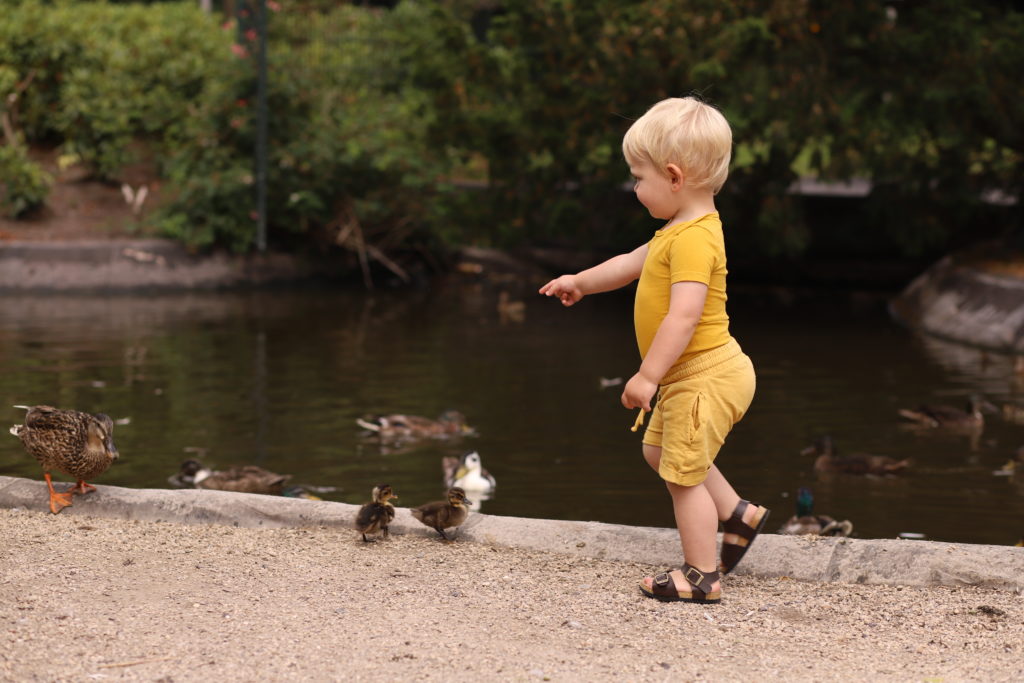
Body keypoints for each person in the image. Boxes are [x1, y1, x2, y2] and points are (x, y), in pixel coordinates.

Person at [539, 97, 769, 604]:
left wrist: (647, 375)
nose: (636, 189)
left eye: (638, 178)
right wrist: (580, 281)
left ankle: (701, 573)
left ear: (673, 176)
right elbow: (627, 263)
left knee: (682, 475)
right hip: (694, 374)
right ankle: (736, 513)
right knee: (659, 450)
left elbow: (684, 315)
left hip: (706, 374)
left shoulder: (695, 240)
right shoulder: (677, 230)